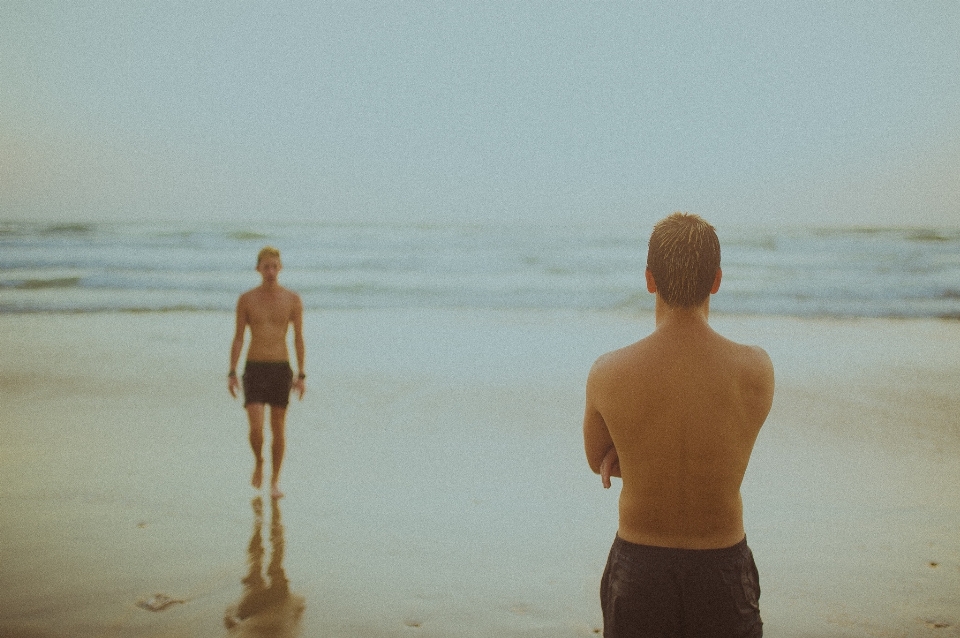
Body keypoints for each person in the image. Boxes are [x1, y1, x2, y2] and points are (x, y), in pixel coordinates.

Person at [583, 213, 774, 637]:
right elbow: (730, 437)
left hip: (640, 564)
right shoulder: (755, 369)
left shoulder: (609, 372)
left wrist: (635, 449)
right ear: (717, 280)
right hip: (722, 564)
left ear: (650, 280)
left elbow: (597, 458)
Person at [229, 246, 306, 499]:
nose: (271, 271)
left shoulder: (292, 299)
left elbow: (298, 339)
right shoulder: (247, 299)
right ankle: (259, 461)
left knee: (278, 428)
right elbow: (239, 338)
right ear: (258, 269)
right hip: (254, 368)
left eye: (275, 266)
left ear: (280, 268)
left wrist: (301, 375)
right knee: (256, 428)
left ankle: (274, 481)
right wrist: (231, 371)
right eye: (266, 266)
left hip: (280, 368)